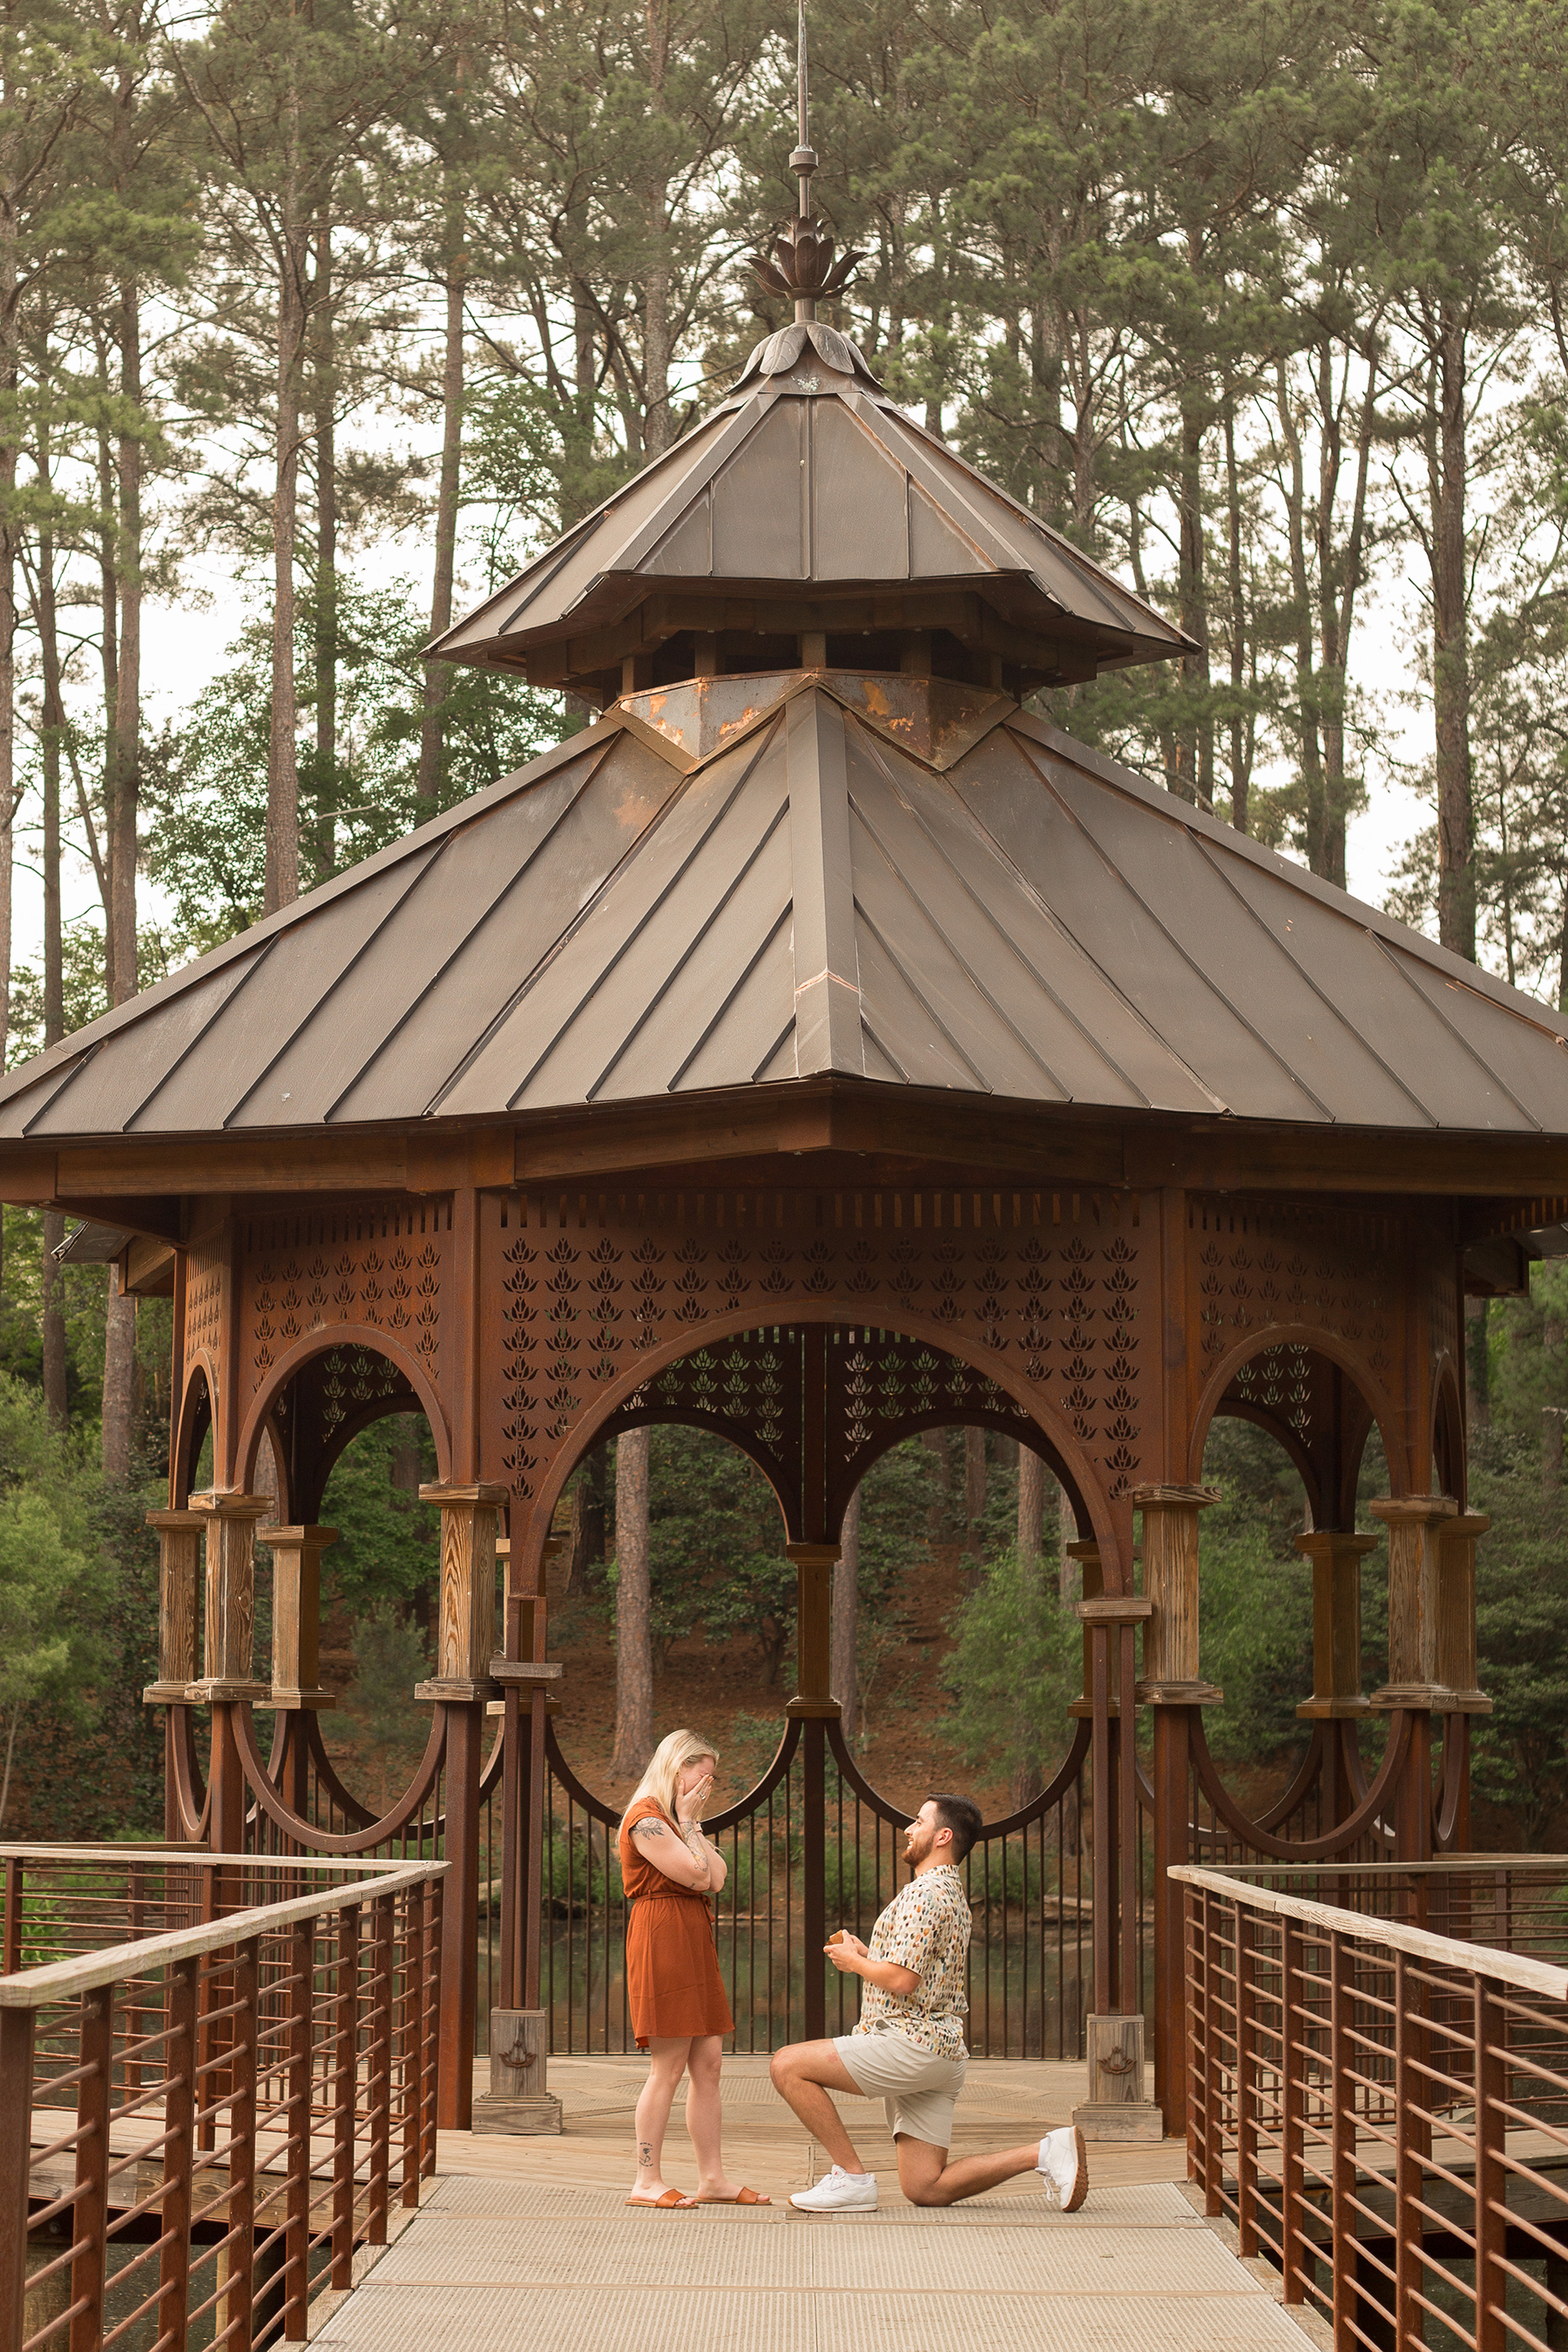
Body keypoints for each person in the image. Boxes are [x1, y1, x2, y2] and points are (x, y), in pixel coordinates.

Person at [770, 1792, 1086, 2213]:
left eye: (919, 1821)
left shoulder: (926, 1895)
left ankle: (851, 2178)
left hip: (910, 2042)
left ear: (943, 1836)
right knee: (926, 2187)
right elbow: (918, 1972)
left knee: (787, 2065)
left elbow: (902, 1980)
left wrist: (853, 1963)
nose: (908, 1828)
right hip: (941, 2052)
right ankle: (1046, 2152)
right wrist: (869, 1958)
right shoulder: (949, 1892)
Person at [618, 1727, 770, 2208]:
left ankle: (713, 2178)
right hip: (662, 1936)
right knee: (667, 2067)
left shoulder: (677, 1821)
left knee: (708, 2063)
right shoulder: (646, 1820)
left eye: (711, 1780)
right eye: (700, 1777)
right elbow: (698, 1874)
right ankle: (646, 2180)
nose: (706, 1789)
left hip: (691, 1937)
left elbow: (717, 1879)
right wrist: (687, 1822)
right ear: (675, 1768)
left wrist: (692, 1824)